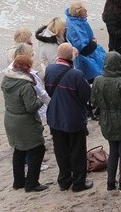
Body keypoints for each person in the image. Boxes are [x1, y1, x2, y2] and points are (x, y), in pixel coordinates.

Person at [44, 43, 94, 192]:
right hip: (73, 117)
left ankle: (64, 180)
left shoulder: (49, 69)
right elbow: (86, 95)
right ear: (71, 56)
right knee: (77, 151)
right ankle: (79, 182)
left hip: (54, 116)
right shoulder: (76, 74)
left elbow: (48, 90)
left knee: (61, 151)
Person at [90, 51, 121, 192]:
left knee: (113, 152)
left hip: (107, 120)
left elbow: (93, 101)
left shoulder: (98, 80)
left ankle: (110, 183)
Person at [2, 54, 48, 192]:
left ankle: (19, 182)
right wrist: (41, 100)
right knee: (37, 149)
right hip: (25, 122)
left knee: (19, 150)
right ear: (25, 68)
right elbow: (31, 106)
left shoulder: (6, 79)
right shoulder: (25, 85)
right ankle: (32, 183)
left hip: (10, 118)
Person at [65, 1, 106, 83]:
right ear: (79, 13)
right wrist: (94, 43)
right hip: (86, 57)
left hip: (90, 54)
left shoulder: (77, 22)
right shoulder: (75, 26)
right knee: (93, 77)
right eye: (84, 10)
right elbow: (82, 48)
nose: (86, 11)